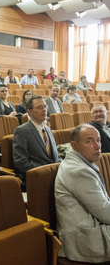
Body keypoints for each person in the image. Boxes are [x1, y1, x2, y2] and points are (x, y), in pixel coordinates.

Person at [55, 124, 110, 263]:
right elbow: (105, 213)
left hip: (92, 228)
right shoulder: (79, 171)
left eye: (98, 140)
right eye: (90, 141)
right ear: (74, 146)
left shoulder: (81, 162)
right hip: (86, 241)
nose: (98, 146)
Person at [13, 95, 61, 190]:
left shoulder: (48, 129)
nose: (44, 110)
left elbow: (56, 157)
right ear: (29, 112)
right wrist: (47, 170)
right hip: (35, 179)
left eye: (45, 106)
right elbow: (21, 162)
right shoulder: (22, 131)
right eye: (40, 107)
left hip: (54, 177)